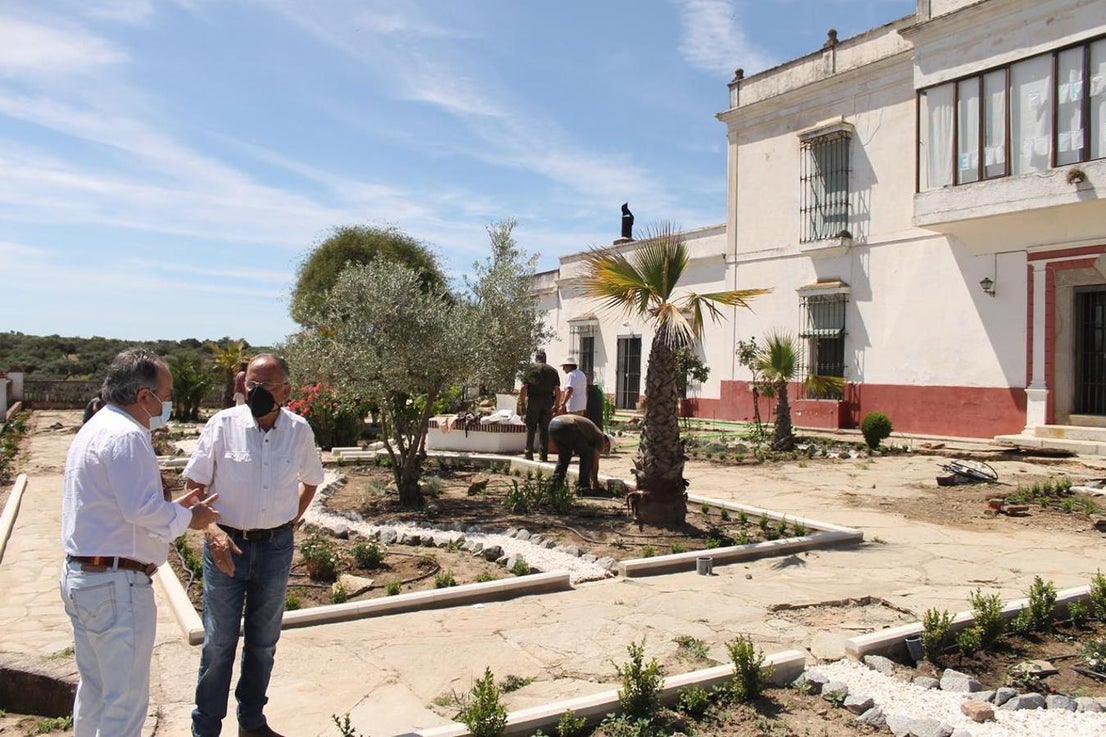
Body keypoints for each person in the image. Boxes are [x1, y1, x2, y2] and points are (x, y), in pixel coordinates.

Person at [61, 349, 220, 737]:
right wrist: (190, 518)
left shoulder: (97, 427)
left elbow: (123, 508)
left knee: (96, 693)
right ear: (144, 395)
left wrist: (175, 508)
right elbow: (140, 510)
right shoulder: (128, 435)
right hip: (117, 585)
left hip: (87, 577)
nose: (167, 402)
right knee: (125, 704)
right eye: (164, 394)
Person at [185, 353, 325, 737]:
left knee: (263, 642)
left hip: (275, 549)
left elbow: (311, 480)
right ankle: (206, 728)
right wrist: (212, 533)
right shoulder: (222, 425)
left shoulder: (299, 430)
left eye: (265, 386)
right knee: (219, 643)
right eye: (251, 385)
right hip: (225, 545)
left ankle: (252, 722)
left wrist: (287, 521)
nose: (256, 392)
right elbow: (194, 485)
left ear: (286, 390)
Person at [548, 413, 611, 493]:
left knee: (564, 457)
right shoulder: (600, 438)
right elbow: (594, 463)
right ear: (607, 443)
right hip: (567, 425)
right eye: (607, 448)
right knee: (587, 454)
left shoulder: (591, 432)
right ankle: (583, 487)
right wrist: (595, 482)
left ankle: (555, 485)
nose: (604, 450)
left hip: (553, 424)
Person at [516, 350, 560, 462]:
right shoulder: (553, 371)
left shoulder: (531, 369)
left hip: (533, 400)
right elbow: (557, 390)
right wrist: (556, 404)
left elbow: (523, 388)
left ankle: (528, 453)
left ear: (536, 358)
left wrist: (522, 403)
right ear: (545, 358)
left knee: (531, 428)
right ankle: (543, 455)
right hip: (547, 401)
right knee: (544, 429)